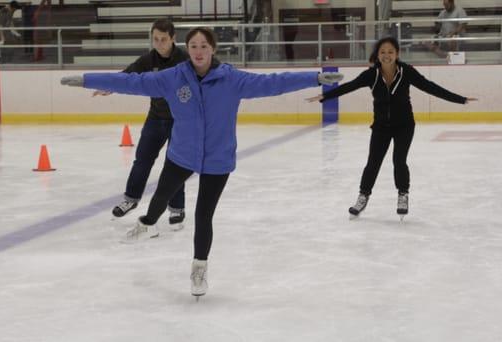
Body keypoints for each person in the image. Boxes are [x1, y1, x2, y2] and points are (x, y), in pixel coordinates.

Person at [61, 27, 343, 297]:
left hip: (218, 158)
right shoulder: (173, 78)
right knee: (162, 194)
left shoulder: (232, 80)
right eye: (193, 46)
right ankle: (147, 223)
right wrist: (87, 79)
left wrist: (314, 78)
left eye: (203, 46)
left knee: (203, 215)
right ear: (188, 49)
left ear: (213, 49)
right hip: (183, 152)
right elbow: (132, 82)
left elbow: (272, 83)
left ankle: (199, 267)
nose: (198, 51)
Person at [307, 37, 476, 219]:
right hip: (381, 126)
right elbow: (350, 86)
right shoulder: (371, 75)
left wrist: (460, 99)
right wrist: (324, 97)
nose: (386, 55)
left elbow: (431, 88)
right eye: (383, 52)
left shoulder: (407, 72)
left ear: (397, 54)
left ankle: (403, 194)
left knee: (399, 161)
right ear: (377, 54)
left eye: (390, 52)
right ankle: (363, 196)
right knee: (373, 162)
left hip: (404, 125)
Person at [96, 19, 189, 229]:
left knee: (175, 166)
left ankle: (177, 208)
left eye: (163, 39)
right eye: (155, 39)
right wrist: (108, 86)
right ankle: (131, 198)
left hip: (181, 121)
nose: (159, 43)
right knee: (142, 160)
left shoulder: (185, 59)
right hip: (156, 117)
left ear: (173, 38)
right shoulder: (149, 59)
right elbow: (127, 76)